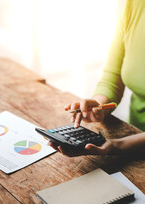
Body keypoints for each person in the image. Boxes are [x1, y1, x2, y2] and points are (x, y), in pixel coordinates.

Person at [49, 0, 145, 156]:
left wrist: (122, 145)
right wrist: (99, 104)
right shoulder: (135, 4)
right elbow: (113, 77)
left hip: (130, 143)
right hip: (131, 133)